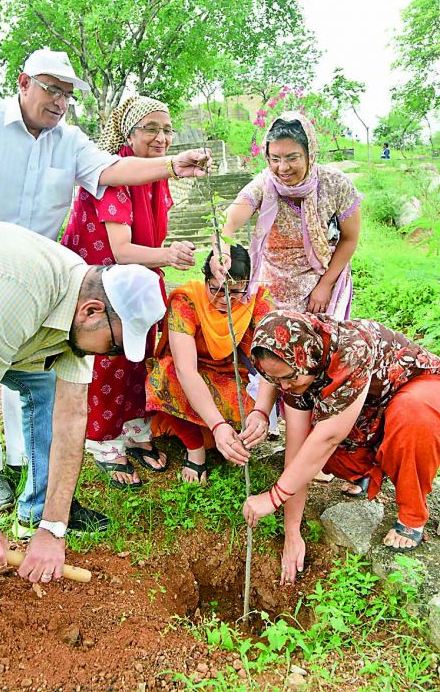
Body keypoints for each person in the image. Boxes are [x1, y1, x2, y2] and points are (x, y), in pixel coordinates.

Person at [0, 48, 210, 513]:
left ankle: (26, 471)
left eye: (67, 95)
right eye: (52, 88)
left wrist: (174, 164)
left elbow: (113, 170)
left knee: (33, 375)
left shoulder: (68, 141)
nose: (59, 102)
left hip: (38, 279)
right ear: (23, 81)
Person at [0, 220, 166, 583]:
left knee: (48, 390)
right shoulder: (17, 294)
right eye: (114, 344)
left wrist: (52, 530)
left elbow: (71, 417)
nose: (112, 355)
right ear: (92, 311)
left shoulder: (79, 302)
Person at [243, 311, 440, 584]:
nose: (284, 387)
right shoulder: (294, 367)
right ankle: (370, 470)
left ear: (305, 357)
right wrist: (292, 533)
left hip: (415, 388)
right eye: (276, 380)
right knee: (318, 451)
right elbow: (298, 450)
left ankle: (413, 514)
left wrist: (273, 498)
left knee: (412, 417)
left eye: (288, 378)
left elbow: (328, 438)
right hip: (367, 409)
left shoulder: (351, 349)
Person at [62, 96, 195, 488]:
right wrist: (168, 255)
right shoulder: (113, 176)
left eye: (167, 130)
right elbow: (121, 250)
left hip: (138, 277)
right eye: (150, 128)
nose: (161, 138)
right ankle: (102, 439)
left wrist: (160, 258)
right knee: (109, 354)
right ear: (128, 132)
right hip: (104, 282)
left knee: (143, 351)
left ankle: (135, 428)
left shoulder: (156, 175)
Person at [210, 111, 362, 317]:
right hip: (273, 285)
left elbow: (350, 238)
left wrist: (326, 285)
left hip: (321, 282)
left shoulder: (336, 184)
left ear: (310, 154)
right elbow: (224, 223)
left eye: (292, 158)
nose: (282, 168)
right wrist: (222, 252)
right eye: (275, 158)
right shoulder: (264, 185)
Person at [146, 245, 276, 483]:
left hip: (236, 380)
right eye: (215, 289)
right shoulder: (187, 301)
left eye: (235, 292)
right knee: (164, 376)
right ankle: (196, 448)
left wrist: (262, 412)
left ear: (247, 284)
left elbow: (272, 363)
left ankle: (224, 437)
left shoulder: (258, 300)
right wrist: (217, 425)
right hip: (193, 378)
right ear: (205, 278)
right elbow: (185, 370)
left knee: (255, 409)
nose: (223, 300)